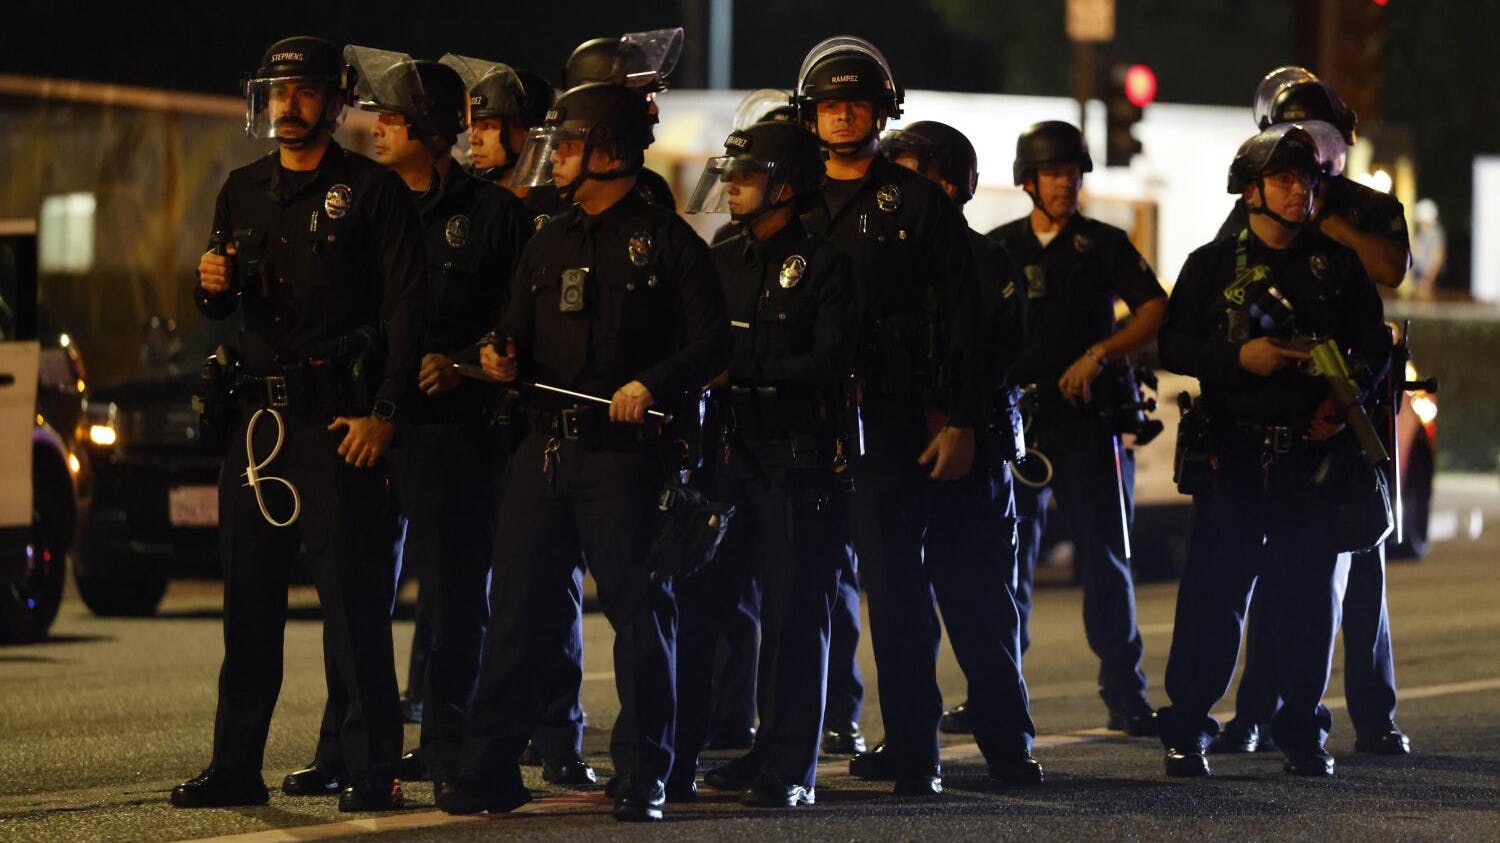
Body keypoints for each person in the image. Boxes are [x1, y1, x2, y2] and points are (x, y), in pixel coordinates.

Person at [435, 82, 730, 822]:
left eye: (569, 144)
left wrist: (650, 383)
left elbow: (712, 344)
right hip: (545, 450)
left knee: (638, 614)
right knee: (517, 613)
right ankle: (491, 767)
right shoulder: (547, 238)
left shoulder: (667, 240)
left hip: (628, 456)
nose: (556, 157)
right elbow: (511, 332)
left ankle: (643, 774)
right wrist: (497, 355)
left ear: (610, 151)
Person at [170, 35, 424, 812]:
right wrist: (209, 285)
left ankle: (372, 766)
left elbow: (406, 315)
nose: (289, 106)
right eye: (279, 92)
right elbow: (224, 303)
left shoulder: (374, 193)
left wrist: (384, 414)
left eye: (306, 92)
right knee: (247, 607)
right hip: (258, 428)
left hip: (335, 428)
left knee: (352, 613)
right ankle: (234, 765)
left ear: (336, 100)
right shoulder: (243, 189)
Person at [789, 36, 1040, 796]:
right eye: (828, 105)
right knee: (829, 591)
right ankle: (879, 744)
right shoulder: (799, 201)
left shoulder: (946, 229)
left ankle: (996, 745)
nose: (841, 117)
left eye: (854, 103)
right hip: (837, 428)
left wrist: (959, 419)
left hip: (933, 433)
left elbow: (974, 334)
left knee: (964, 597)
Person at [1157, 124, 1392, 778]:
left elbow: (1375, 346)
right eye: (1286, 179)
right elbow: (1172, 345)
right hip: (1231, 457)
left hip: (1310, 462)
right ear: (1253, 189)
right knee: (1212, 596)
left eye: (1310, 180)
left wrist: (1338, 403)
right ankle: (1187, 726)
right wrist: (1238, 358)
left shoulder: (1336, 265)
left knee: (1306, 601)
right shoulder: (1212, 262)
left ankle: (1300, 731)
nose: (1301, 191)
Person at [1211, 66, 1413, 759]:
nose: (1309, 157)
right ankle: (1258, 710)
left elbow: (1391, 266)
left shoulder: (1360, 204)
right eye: (1294, 143)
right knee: (1280, 566)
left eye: (1320, 142)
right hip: (1282, 401)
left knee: (1362, 561)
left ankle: (1375, 713)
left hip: (1354, 395)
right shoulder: (1261, 197)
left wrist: (1318, 210)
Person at [673, 120, 852, 807]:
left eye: (748, 177)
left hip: (792, 461)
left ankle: (788, 767)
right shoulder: (723, 254)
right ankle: (675, 757)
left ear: (787, 184)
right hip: (726, 458)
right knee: (700, 608)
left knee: (793, 615)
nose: (734, 187)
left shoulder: (826, 264)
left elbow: (832, 361)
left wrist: (740, 370)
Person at [439, 52, 592, 777]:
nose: (475, 137)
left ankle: (558, 736)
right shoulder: (466, 210)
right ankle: (463, 728)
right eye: (470, 123)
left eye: (490, 124)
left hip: (540, 419)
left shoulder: (553, 215)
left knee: (549, 586)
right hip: (473, 420)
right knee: (467, 587)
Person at [987, 120, 1166, 736]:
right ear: (1028, 181)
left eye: (1073, 172)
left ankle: (1126, 692)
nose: (1066, 184)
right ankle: (997, 691)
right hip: (1020, 427)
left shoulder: (1104, 244)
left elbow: (1154, 309)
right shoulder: (1000, 247)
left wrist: (1102, 354)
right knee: (1008, 565)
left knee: (1107, 559)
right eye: (1054, 173)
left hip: (1089, 425)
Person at [881, 120, 1027, 738]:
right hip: (897, 446)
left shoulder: (983, 258)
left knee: (977, 602)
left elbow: (997, 358)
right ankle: (910, 742)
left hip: (971, 450)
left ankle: (1006, 742)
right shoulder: (880, 259)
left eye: (909, 179)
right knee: (899, 607)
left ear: (947, 186)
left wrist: (957, 418)